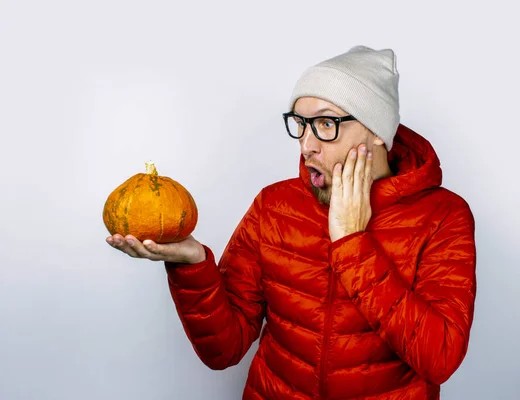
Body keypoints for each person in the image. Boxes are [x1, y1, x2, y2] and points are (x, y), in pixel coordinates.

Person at [106, 45, 477, 400]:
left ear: (377, 131)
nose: (306, 145)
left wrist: (352, 241)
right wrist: (191, 266)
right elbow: (223, 351)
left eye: (326, 123)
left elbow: (439, 359)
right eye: (300, 124)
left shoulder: (443, 217)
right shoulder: (274, 206)